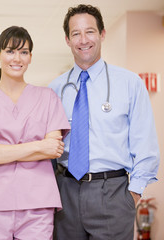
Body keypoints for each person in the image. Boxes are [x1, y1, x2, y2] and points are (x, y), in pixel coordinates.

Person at [49, 4, 160, 240]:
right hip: (66, 192)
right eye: (76, 33)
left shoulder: (130, 84)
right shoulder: (55, 89)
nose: (83, 40)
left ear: (102, 34)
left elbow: (146, 146)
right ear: (67, 40)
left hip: (113, 193)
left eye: (89, 31)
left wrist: (133, 194)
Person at [0, 26, 70, 240]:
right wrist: (39, 146)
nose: (17, 58)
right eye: (10, 51)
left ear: (30, 57)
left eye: (24, 52)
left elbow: (54, 149)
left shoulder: (48, 98)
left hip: (38, 205)